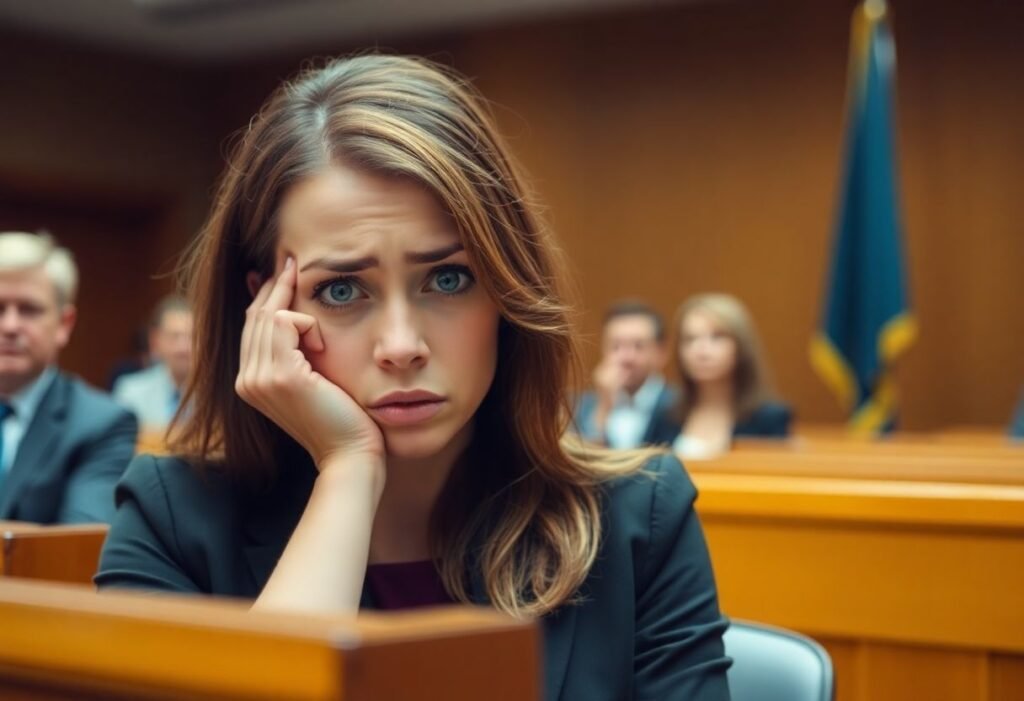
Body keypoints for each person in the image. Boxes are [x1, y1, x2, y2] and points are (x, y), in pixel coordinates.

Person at [95, 56, 730, 699]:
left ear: (506, 289)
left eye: (448, 279)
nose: (402, 346)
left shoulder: (638, 517)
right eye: (342, 289)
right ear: (267, 311)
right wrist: (348, 468)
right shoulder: (171, 519)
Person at [0, 231, 137, 523]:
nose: (10, 326)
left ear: (64, 324)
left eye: (29, 310)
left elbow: (74, 549)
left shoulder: (102, 423)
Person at [671, 293, 791, 460]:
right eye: (690, 339)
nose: (701, 350)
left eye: (717, 337)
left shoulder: (769, 418)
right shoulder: (666, 413)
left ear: (741, 346)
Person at [573, 301, 679, 448]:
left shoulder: (679, 405)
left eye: (638, 346)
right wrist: (604, 406)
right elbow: (581, 462)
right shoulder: (579, 407)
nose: (626, 357)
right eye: (616, 346)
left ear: (661, 352)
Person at [112, 295, 193, 432]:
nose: (183, 347)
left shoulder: (216, 398)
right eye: (174, 336)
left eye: (192, 337)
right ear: (156, 341)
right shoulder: (130, 392)